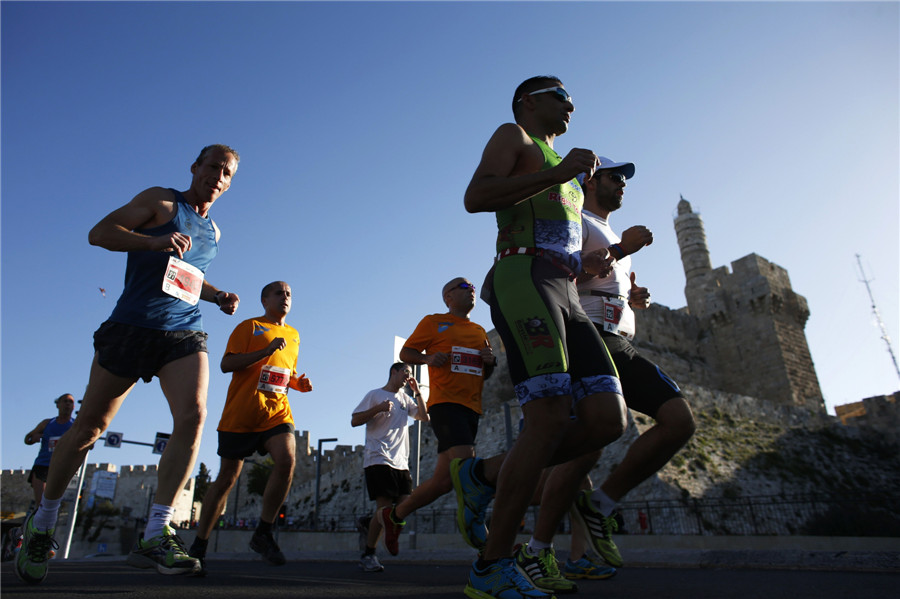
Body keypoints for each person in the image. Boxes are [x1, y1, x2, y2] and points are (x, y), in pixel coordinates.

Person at [16, 144, 241, 585]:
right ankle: (43, 522)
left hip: (183, 330)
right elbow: (99, 233)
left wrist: (216, 296)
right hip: (131, 327)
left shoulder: (214, 231)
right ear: (194, 167)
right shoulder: (161, 201)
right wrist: (154, 241)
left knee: (193, 416)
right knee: (88, 430)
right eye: (211, 166)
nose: (217, 175)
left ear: (230, 182)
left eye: (226, 171)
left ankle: (157, 532)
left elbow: (186, 275)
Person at [453, 76, 628, 598]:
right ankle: (491, 566)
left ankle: (483, 477)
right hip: (524, 278)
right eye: (560, 95)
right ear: (529, 101)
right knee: (549, 418)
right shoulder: (516, 137)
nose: (571, 104)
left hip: (567, 290)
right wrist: (565, 170)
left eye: (573, 99)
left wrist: (608, 259)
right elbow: (476, 196)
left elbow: (564, 236)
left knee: (605, 419)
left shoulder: (572, 173)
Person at [565, 157, 695, 568]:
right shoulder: (577, 222)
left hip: (618, 338)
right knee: (673, 421)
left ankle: (592, 516)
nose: (623, 185)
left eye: (625, 180)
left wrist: (631, 301)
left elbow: (604, 284)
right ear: (591, 181)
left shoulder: (607, 232)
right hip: (592, 338)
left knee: (581, 454)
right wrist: (623, 249)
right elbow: (565, 276)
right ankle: (499, 493)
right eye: (615, 177)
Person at [188, 281, 313, 575]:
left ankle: (264, 532)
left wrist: (297, 383)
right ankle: (200, 545)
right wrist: (264, 351)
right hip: (241, 414)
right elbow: (226, 364)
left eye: (289, 294)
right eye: (279, 293)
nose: (285, 297)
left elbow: (285, 373)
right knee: (227, 479)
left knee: (287, 460)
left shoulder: (294, 335)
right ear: (264, 300)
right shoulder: (250, 326)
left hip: (276, 412)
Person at [379, 277, 496, 555]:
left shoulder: (480, 330)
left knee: (443, 482)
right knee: (468, 467)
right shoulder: (434, 322)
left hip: (472, 408)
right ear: (448, 297)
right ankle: (488, 546)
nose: (471, 291)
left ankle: (394, 516)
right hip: (445, 404)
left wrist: (490, 362)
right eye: (464, 287)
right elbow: (407, 352)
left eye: (472, 288)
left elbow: (486, 373)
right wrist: (428, 359)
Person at [351, 363, 428, 572]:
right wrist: (378, 408)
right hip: (378, 458)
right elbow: (355, 420)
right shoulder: (375, 394)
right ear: (394, 372)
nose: (407, 376)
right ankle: (369, 554)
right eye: (405, 372)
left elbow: (424, 416)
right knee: (384, 509)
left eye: (410, 374)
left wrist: (417, 392)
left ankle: (370, 522)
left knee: (404, 506)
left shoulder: (405, 399)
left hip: (401, 462)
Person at [24, 395, 76, 510]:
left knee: (51, 504)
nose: (67, 404)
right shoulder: (47, 423)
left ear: (73, 406)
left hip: (61, 468)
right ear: (58, 405)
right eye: (65, 401)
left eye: (70, 402)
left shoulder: (76, 425)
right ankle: (34, 526)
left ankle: (47, 526)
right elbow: (27, 438)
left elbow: (89, 444)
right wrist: (34, 438)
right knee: (40, 502)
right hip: (42, 465)